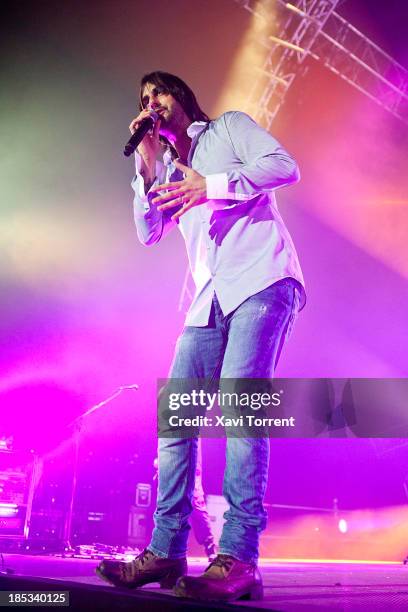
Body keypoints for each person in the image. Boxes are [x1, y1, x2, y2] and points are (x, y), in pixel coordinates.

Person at [96, 71, 305, 602]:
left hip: (262, 280)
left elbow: (285, 166)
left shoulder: (229, 129)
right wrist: (146, 160)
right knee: (177, 419)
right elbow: (148, 231)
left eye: (158, 93)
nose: (151, 103)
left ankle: (238, 558)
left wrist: (208, 185)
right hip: (208, 298)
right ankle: (165, 551)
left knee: (240, 412)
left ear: (181, 97)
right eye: (143, 99)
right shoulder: (163, 164)